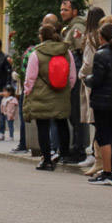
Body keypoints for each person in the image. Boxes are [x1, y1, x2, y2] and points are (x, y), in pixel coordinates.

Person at [23, 24, 75, 171]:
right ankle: (64, 155)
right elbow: (72, 76)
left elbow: (30, 78)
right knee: (62, 124)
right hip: (62, 94)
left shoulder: (36, 53)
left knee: (43, 127)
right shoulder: (66, 52)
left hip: (41, 96)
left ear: (41, 36)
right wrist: (67, 89)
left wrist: (28, 92)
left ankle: (46, 160)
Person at [85, 23, 112, 185]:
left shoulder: (101, 54)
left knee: (104, 136)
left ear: (101, 37)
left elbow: (97, 79)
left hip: (103, 101)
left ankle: (107, 171)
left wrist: (87, 80)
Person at [60, 0, 88, 163]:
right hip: (71, 73)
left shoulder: (77, 27)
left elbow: (79, 51)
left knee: (77, 113)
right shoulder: (70, 27)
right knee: (73, 113)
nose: (62, 12)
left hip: (75, 73)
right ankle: (75, 147)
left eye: (66, 10)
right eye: (62, 10)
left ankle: (79, 149)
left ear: (75, 11)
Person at [77, 7, 104, 171]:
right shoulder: (103, 35)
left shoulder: (90, 38)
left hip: (92, 82)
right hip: (103, 80)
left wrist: (81, 74)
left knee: (96, 120)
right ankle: (99, 158)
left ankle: (98, 159)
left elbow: (88, 63)